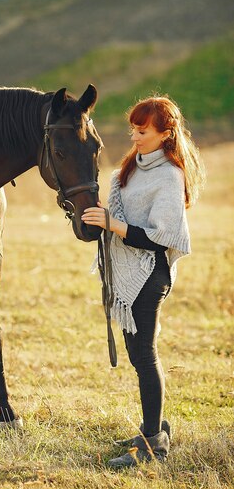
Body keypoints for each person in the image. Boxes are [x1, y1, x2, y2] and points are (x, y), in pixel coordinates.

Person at [81, 95, 205, 469]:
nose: (134, 136)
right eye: (133, 128)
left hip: (150, 276)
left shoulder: (169, 174)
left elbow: (160, 237)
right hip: (128, 271)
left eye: (142, 130)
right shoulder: (131, 168)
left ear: (165, 134)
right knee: (140, 357)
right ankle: (155, 428)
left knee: (145, 357)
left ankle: (153, 445)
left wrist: (114, 225)